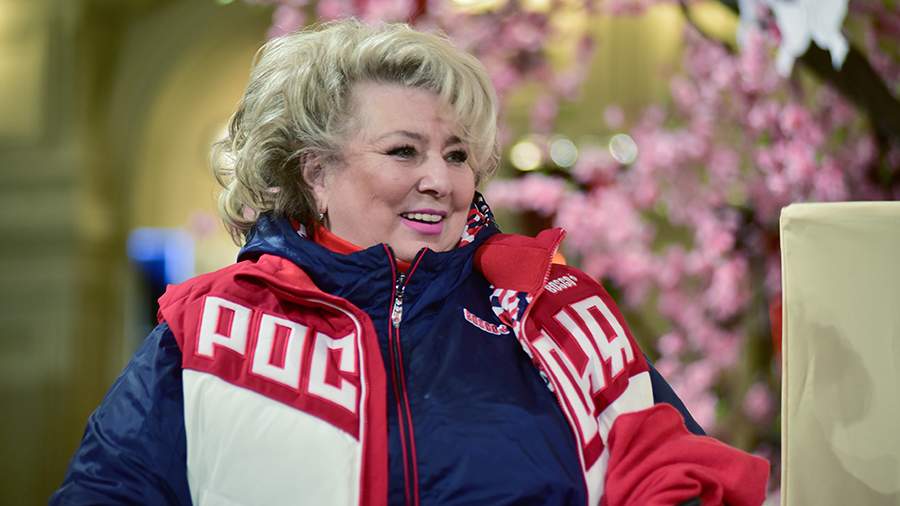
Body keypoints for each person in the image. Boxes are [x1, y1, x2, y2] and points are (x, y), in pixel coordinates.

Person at [52, 20, 768, 506]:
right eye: (404, 151)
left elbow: (680, 471)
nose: (440, 180)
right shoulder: (212, 330)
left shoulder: (556, 311)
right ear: (316, 174)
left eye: (457, 154)